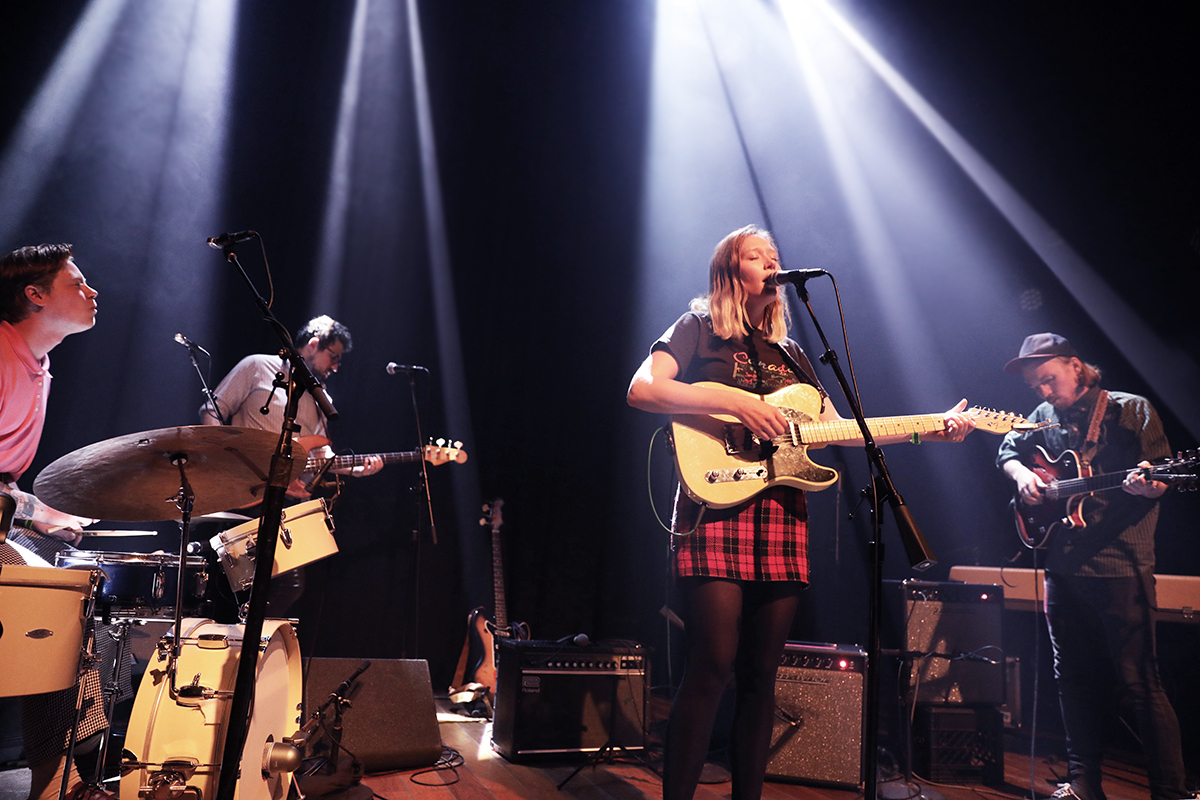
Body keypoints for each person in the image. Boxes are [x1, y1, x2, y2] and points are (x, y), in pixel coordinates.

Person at [626, 224, 975, 800]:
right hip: (713, 503)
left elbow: (841, 431)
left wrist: (928, 432)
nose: (770, 261)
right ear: (729, 272)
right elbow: (643, 390)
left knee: (763, 674)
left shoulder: (792, 354)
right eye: (755, 255)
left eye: (774, 255)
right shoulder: (697, 329)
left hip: (781, 515)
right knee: (713, 662)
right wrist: (735, 400)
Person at [996, 333, 1188, 800]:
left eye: (1049, 380)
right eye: (1035, 385)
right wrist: (1023, 476)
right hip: (1063, 566)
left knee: (1140, 681)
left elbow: (1160, 475)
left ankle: (1171, 792)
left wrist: (1151, 485)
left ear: (1076, 367)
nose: (1043, 393)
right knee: (1072, 677)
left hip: (1121, 566)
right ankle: (1083, 784)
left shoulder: (1131, 409)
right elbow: (1006, 450)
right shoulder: (1042, 418)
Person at [0, 243, 102, 800]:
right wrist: (38, 514)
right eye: (78, 283)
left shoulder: (39, 364)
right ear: (35, 295)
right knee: (57, 602)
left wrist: (35, 515)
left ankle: (67, 775)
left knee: (74, 598)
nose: (92, 292)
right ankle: (59, 777)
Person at [198, 315, 381, 614]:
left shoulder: (321, 399)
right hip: (242, 495)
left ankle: (246, 646)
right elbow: (212, 410)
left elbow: (319, 457)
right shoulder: (257, 366)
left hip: (281, 502)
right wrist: (225, 458)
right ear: (312, 344)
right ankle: (241, 645)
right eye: (332, 356)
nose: (335, 366)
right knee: (249, 584)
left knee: (282, 585)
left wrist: (356, 469)